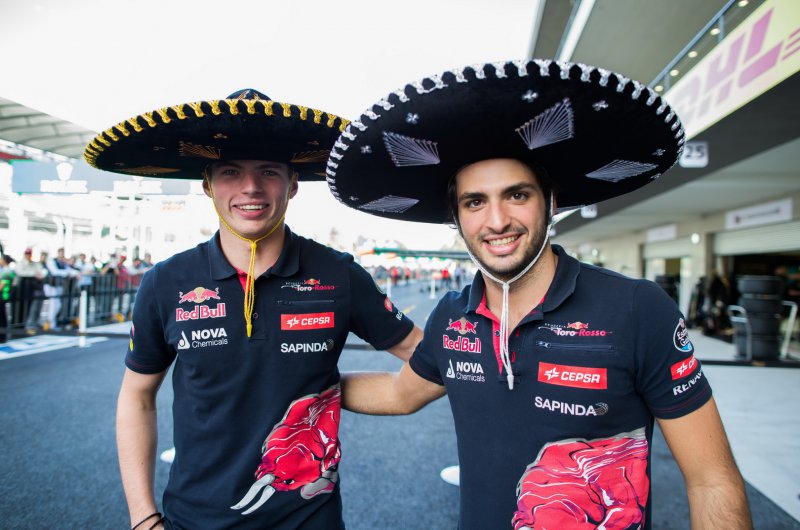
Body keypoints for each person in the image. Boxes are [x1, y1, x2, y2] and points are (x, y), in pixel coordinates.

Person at [327, 60, 752, 529]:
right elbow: (398, 393)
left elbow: (712, 480)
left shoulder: (637, 309)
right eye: (475, 202)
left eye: (517, 195)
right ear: (457, 218)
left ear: (550, 202)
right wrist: (291, 380)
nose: (497, 221)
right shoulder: (452, 317)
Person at [86, 89, 421, 529]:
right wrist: (143, 519)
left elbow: (431, 356)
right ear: (207, 185)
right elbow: (136, 395)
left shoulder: (338, 273)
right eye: (231, 172)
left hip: (310, 520)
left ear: (292, 184)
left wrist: (335, 390)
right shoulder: (166, 281)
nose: (250, 187)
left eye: (268, 171)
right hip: (194, 520)